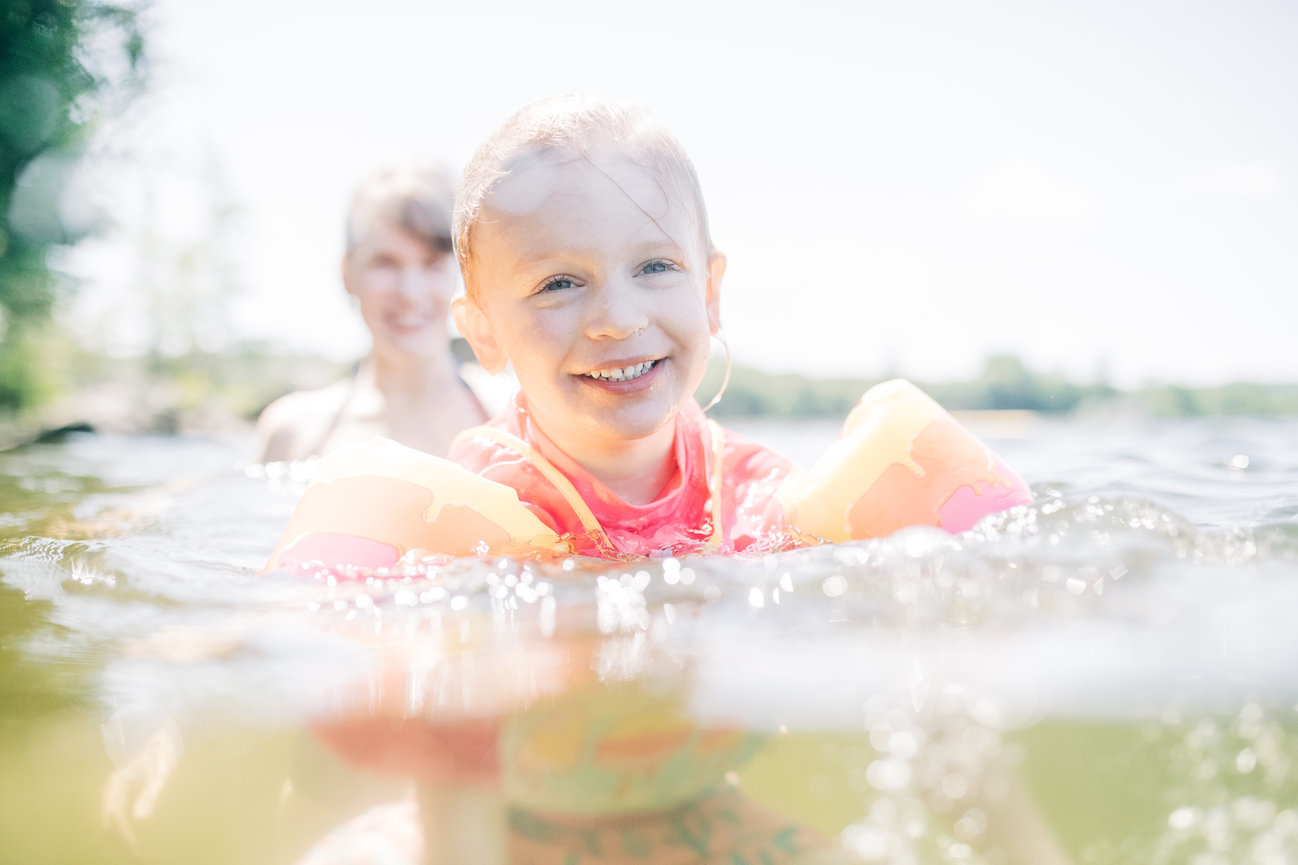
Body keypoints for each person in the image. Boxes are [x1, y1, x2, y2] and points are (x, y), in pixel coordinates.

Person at [265, 96, 1039, 865]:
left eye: (656, 266)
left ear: (710, 290)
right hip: (500, 828)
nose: (617, 317)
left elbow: (950, 706)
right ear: (484, 331)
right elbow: (450, 771)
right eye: (558, 282)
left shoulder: (763, 502)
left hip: (697, 815)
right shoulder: (472, 516)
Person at [254, 163, 498, 464]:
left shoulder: (517, 416)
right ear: (347, 275)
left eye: (431, 263)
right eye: (385, 263)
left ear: (462, 272)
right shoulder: (294, 434)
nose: (410, 292)